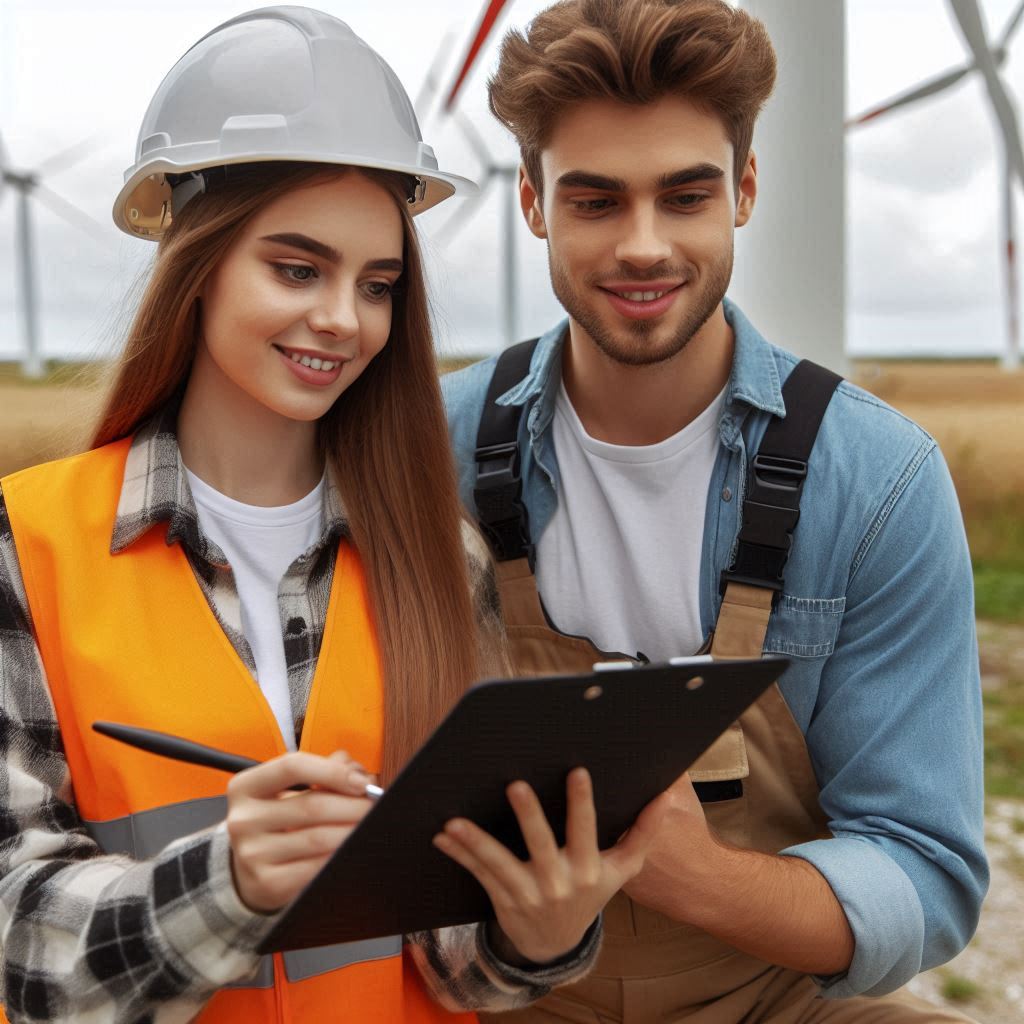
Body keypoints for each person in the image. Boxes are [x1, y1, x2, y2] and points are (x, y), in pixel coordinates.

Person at [0, 8, 672, 1023]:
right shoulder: (30, 546)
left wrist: (535, 930)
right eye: (297, 268)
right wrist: (223, 883)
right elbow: (17, 931)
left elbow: (455, 958)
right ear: (197, 258)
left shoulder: (439, 557)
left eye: (378, 284)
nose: (343, 319)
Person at [441, 1, 988, 1021]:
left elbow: (925, 871)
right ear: (530, 201)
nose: (642, 246)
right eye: (595, 202)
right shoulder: (433, 451)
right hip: (502, 991)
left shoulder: (876, 481)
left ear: (742, 189)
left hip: (778, 997)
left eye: (682, 195)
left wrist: (691, 874)